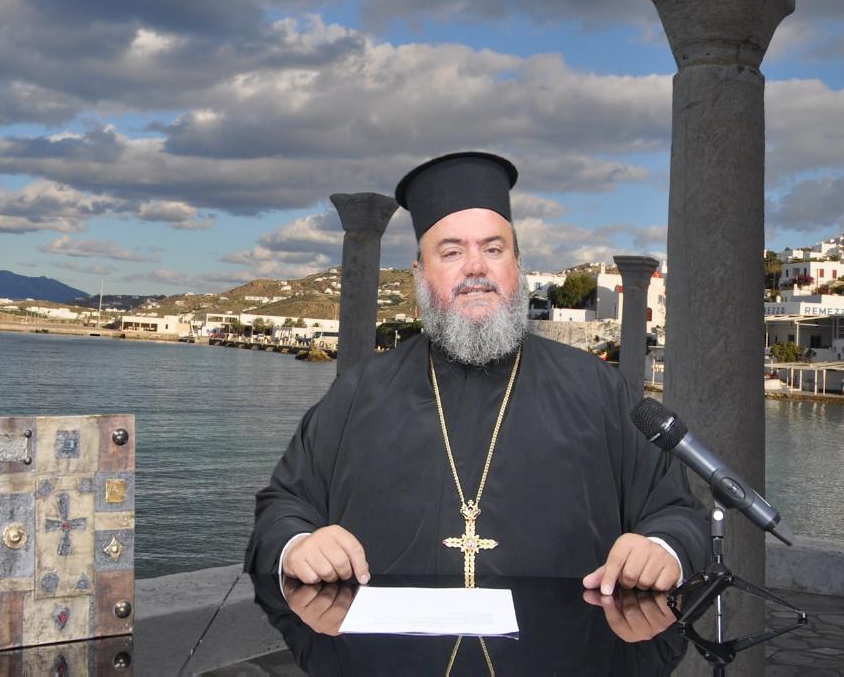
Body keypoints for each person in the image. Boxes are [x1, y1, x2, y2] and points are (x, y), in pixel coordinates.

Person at [245, 152, 706, 595]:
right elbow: (282, 510)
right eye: (451, 252)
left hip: (565, 641)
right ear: (419, 274)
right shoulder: (359, 392)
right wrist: (298, 546)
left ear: (517, 265)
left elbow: (677, 512)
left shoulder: (597, 389)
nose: (476, 267)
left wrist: (662, 549)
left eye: (493, 248)